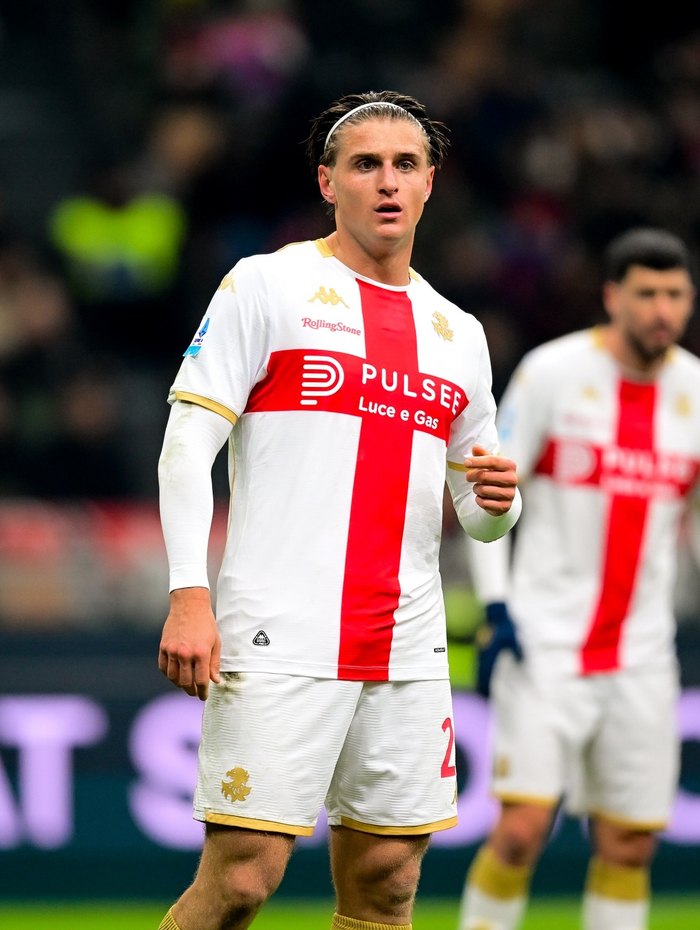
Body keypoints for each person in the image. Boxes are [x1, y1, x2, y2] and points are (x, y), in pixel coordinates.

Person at [156, 90, 521, 930]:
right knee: (243, 877)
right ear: (328, 182)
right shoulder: (267, 284)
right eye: (365, 164)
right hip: (281, 626)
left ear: (430, 183)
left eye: (405, 164)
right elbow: (185, 446)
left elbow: (481, 512)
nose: (386, 181)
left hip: (407, 638)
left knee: (388, 880)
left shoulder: (458, 332)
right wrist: (188, 594)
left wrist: (502, 502)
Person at [459, 227, 700, 930]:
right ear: (612, 297)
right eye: (647, 293)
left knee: (629, 843)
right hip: (544, 644)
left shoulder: (695, 390)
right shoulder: (552, 373)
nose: (662, 309)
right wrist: (496, 607)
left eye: (675, 294)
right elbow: (489, 491)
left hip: (642, 654)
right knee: (520, 831)